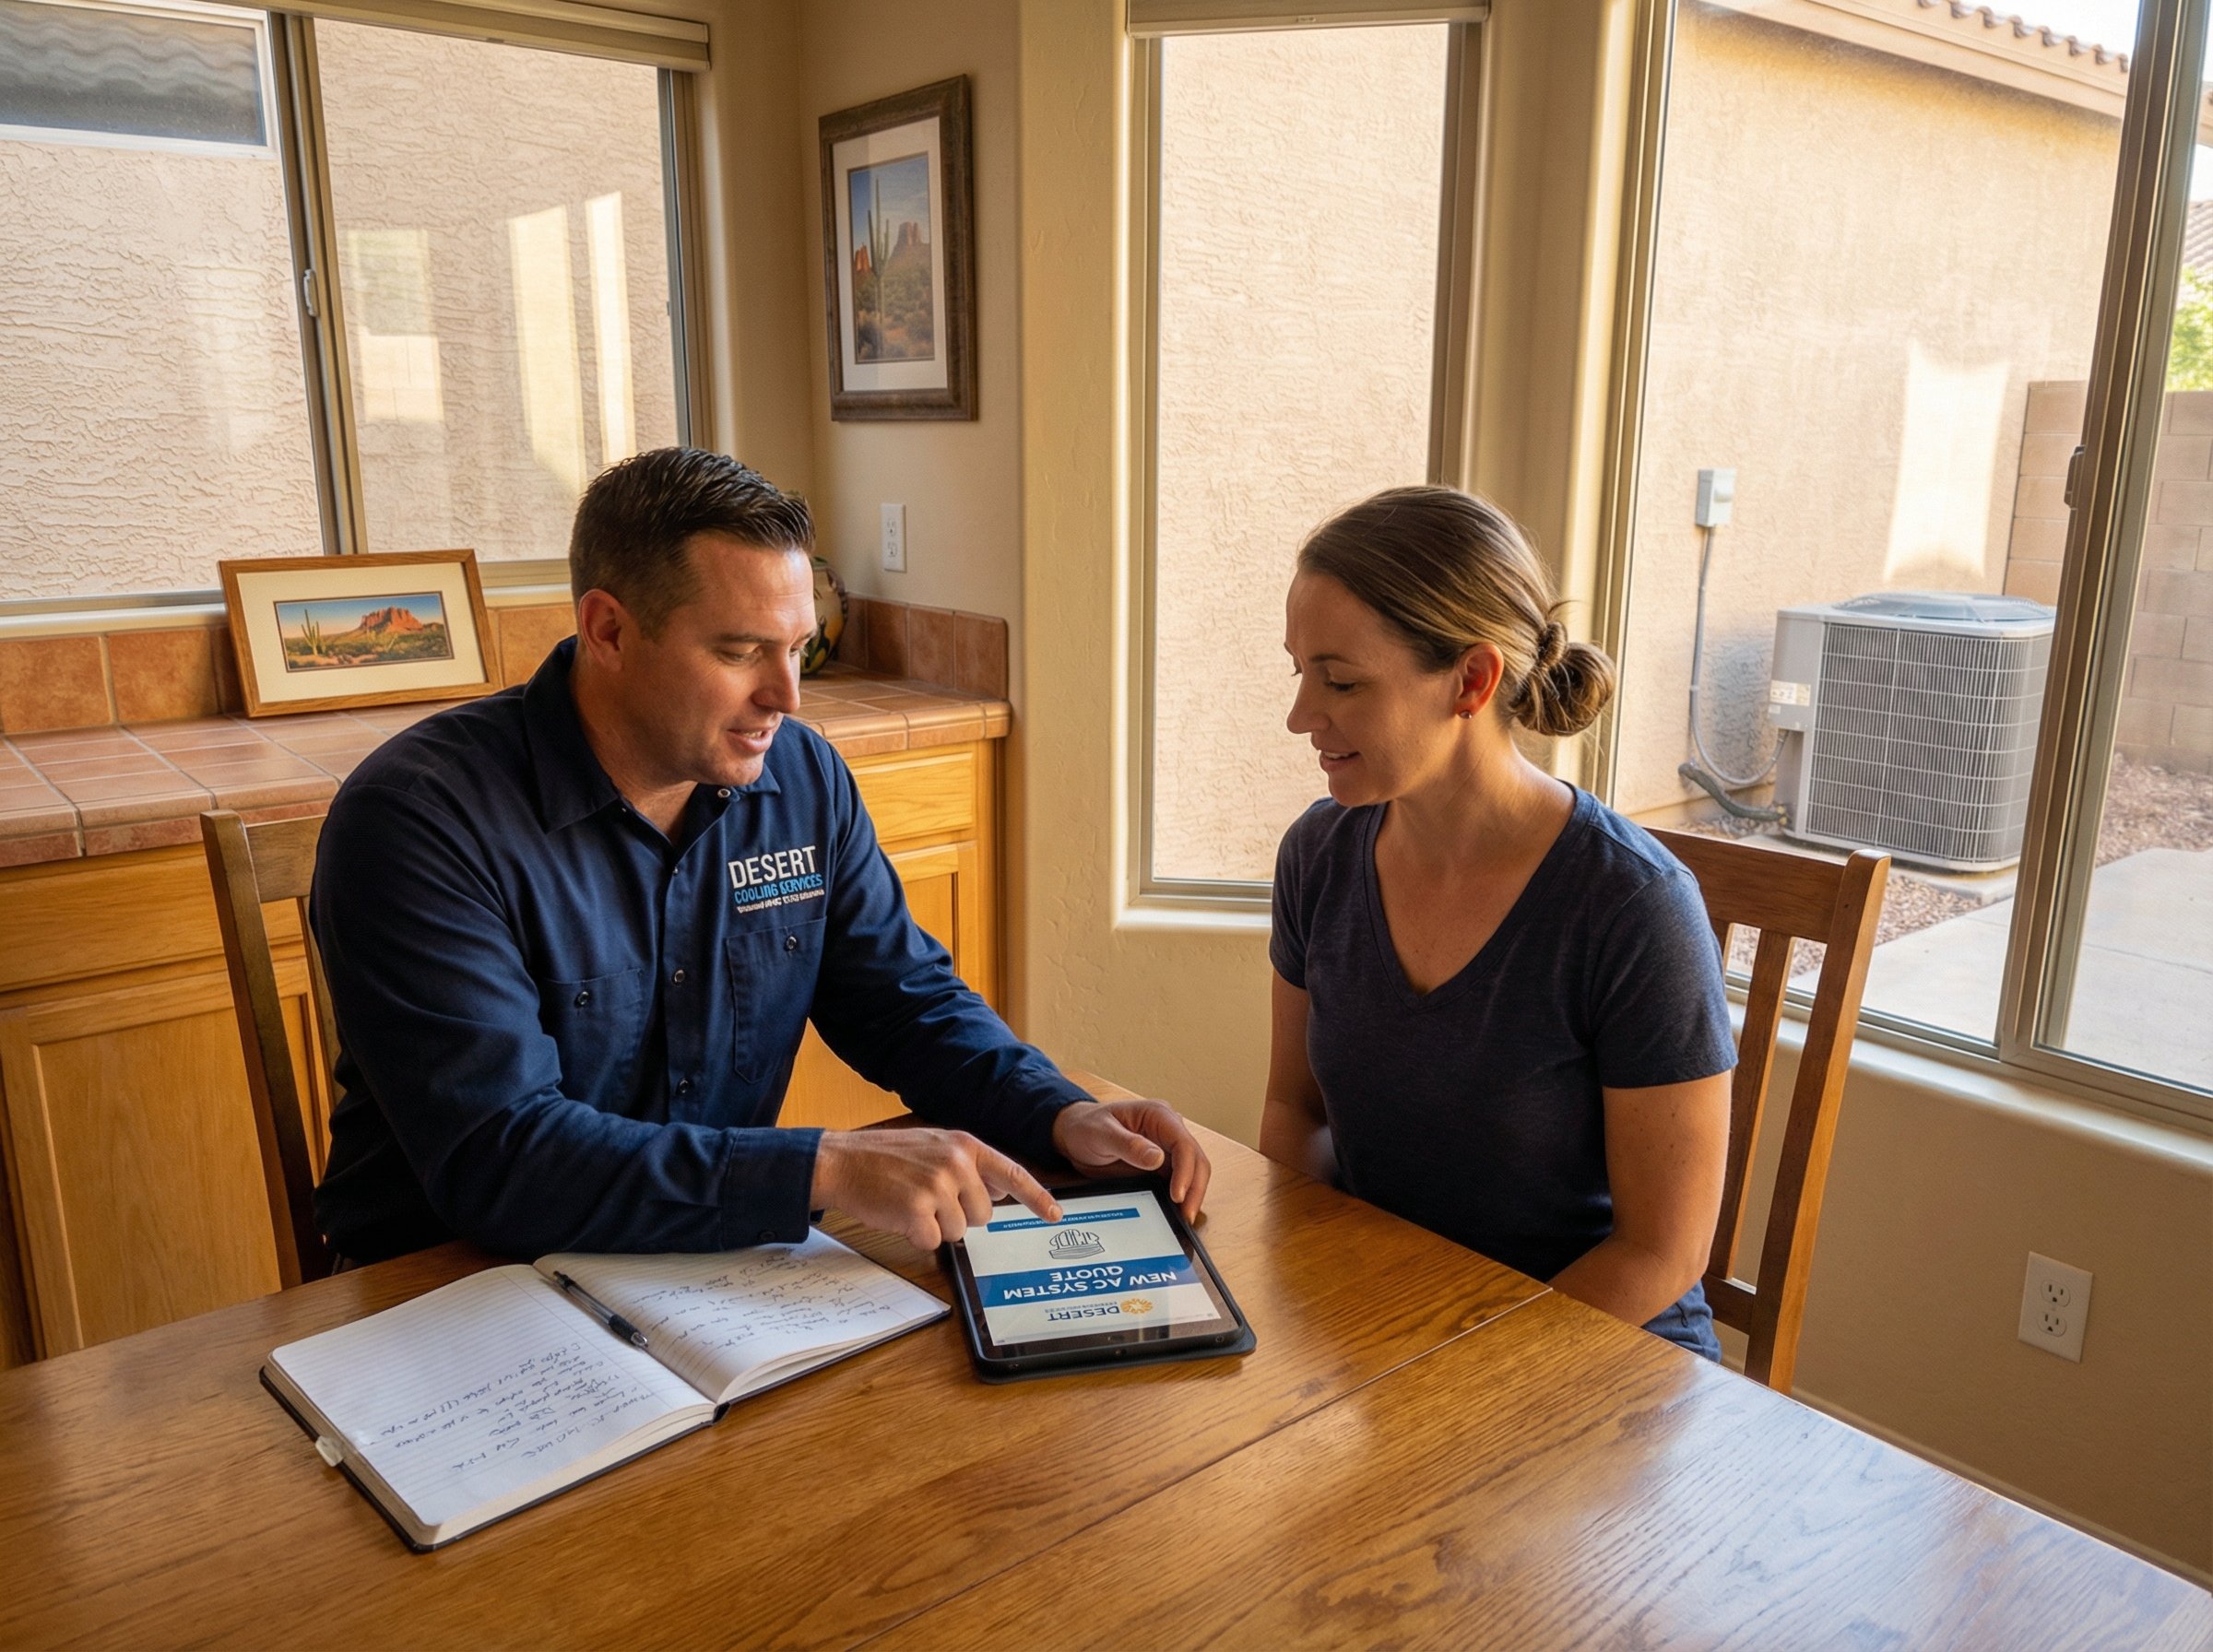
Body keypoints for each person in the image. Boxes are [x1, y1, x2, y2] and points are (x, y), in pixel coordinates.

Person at [311, 448, 1209, 1265]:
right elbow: (504, 1161)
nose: (785, 695)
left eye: (797, 649)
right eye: (741, 652)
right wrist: (822, 1168)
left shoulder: (801, 778)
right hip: (448, 1287)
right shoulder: (419, 820)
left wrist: (1056, 1110)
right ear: (610, 630)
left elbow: (905, 1002)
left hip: (703, 1264)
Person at [1261, 486, 1734, 1357]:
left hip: (1601, 1360)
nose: (1301, 717)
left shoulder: (1633, 907)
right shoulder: (1318, 858)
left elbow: (1659, 1252)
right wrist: (1320, 1306)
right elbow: (1298, 1116)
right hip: (1396, 1332)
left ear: (1472, 680)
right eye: (1300, 673)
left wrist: (1451, 1369)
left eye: (1342, 681)